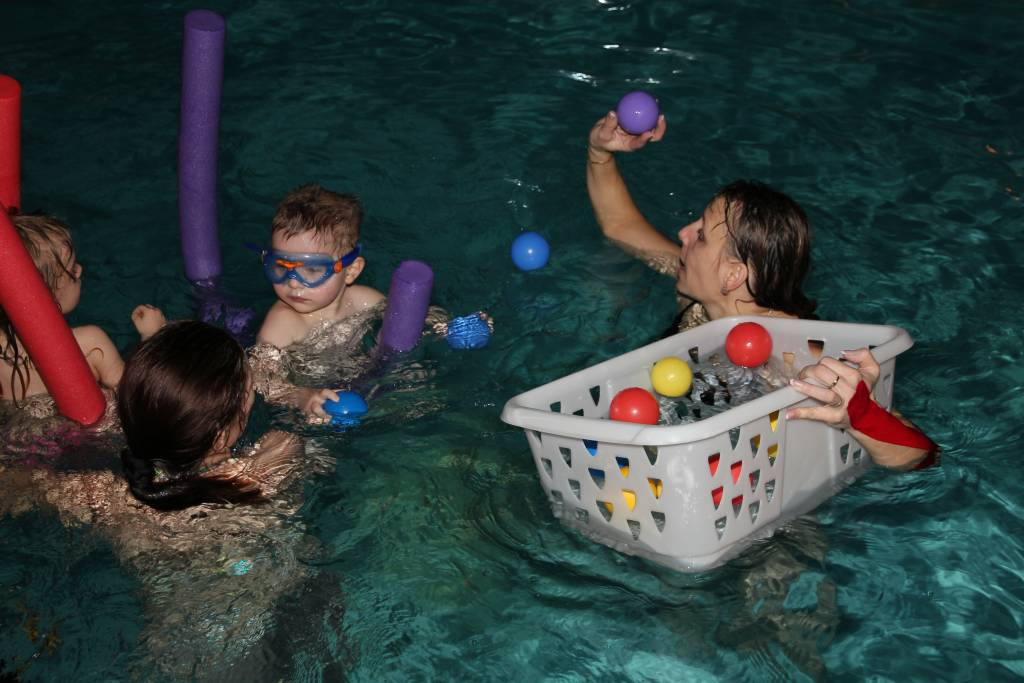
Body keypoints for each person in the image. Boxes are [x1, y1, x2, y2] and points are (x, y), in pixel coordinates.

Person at [585, 109, 937, 470]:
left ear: (732, 276)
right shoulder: (699, 298)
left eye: (701, 235)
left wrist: (860, 414)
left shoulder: (800, 354)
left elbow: (921, 455)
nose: (683, 234)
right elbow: (621, 227)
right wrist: (600, 153)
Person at [0, 319, 342, 678]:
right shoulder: (269, 463)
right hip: (266, 629)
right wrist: (302, 398)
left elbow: (14, 483)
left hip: (175, 646)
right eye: (247, 391)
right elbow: (297, 438)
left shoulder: (103, 495)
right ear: (222, 435)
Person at [0, 212, 164, 409]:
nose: (79, 270)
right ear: (46, 294)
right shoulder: (90, 343)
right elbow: (136, 396)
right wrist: (152, 337)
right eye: (71, 269)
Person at [256, 183, 384, 350]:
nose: (293, 283)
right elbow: (263, 367)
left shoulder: (363, 300)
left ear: (351, 271)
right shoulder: (281, 327)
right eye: (282, 266)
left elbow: (405, 319)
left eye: (311, 269)